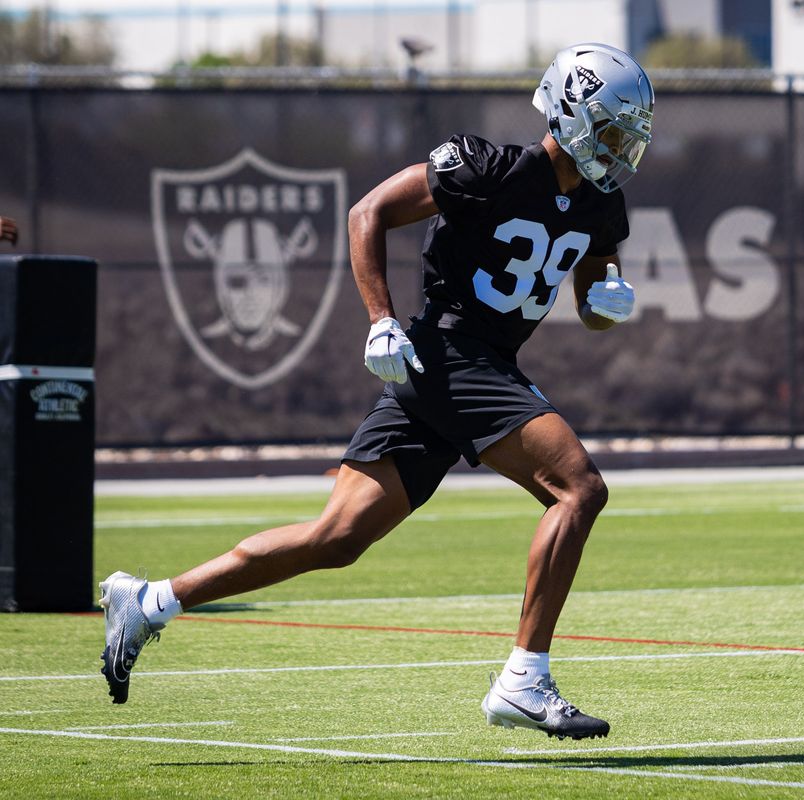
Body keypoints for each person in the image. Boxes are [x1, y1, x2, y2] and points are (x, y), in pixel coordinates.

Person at [99, 42, 654, 741]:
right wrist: (381, 319)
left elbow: (591, 301)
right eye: (611, 128)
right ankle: (524, 679)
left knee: (336, 538)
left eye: (628, 133)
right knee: (579, 489)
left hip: (469, 366)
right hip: (448, 351)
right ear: (572, 110)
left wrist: (609, 301)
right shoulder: (487, 168)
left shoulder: (602, 204)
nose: (621, 146)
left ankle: (148, 601)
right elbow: (369, 212)